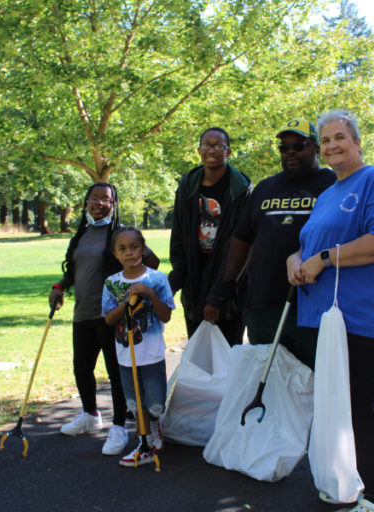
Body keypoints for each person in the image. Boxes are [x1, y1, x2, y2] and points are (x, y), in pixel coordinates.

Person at [287, 110, 374, 512]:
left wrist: (324, 258)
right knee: (340, 405)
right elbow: (310, 244)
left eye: (340, 137)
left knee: (363, 403)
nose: (331, 146)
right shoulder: (327, 194)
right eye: (325, 140)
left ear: (357, 143)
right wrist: (294, 261)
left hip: (370, 315)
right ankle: (347, 483)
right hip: (331, 318)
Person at [49, 183, 159, 457]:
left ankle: (119, 426)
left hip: (110, 316)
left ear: (114, 204)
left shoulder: (118, 235)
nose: (99, 203)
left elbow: (152, 262)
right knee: (82, 368)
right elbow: (74, 270)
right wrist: (60, 286)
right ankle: (90, 415)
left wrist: (132, 283)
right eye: (94, 198)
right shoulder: (82, 234)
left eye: (106, 199)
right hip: (82, 313)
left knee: (115, 373)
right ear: (86, 202)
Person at [220, 118, 336, 368]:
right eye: (284, 148)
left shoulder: (333, 184)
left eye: (299, 145)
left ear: (316, 148)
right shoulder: (265, 188)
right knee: (267, 381)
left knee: (312, 381)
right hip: (263, 304)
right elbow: (242, 237)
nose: (290, 152)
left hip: (313, 305)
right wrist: (228, 283)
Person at [168, 127, 252, 345]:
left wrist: (218, 296)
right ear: (199, 150)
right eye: (206, 145)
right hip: (194, 283)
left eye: (218, 145)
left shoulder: (240, 189)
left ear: (228, 151)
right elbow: (178, 236)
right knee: (199, 359)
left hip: (227, 286)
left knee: (227, 357)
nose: (211, 150)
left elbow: (242, 246)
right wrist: (175, 279)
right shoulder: (188, 186)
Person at [102, 227, 175, 467]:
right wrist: (125, 304)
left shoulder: (157, 278)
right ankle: (144, 442)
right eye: (122, 249)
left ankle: (154, 425)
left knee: (154, 401)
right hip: (126, 355)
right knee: (134, 401)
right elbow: (109, 319)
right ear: (115, 254)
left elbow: (165, 316)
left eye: (134, 247)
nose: (129, 253)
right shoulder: (112, 283)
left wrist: (150, 294)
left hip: (151, 354)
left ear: (144, 249)